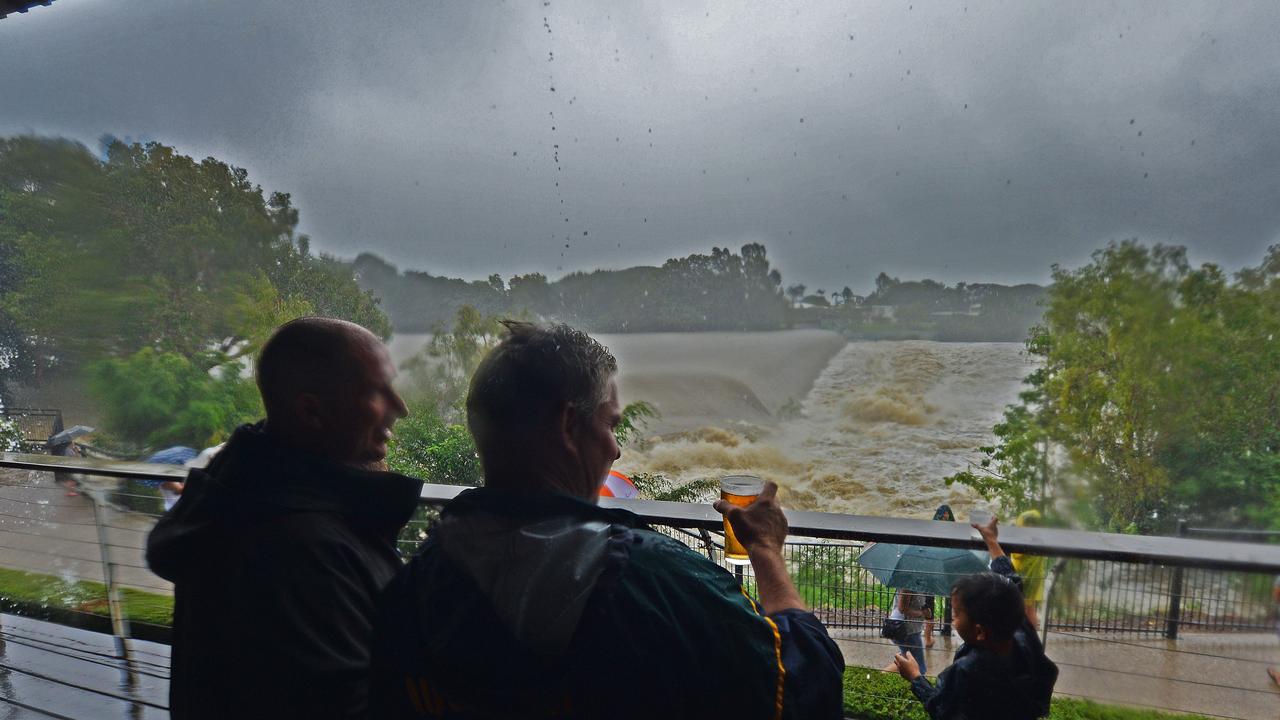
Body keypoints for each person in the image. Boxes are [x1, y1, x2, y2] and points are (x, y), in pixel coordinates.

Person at [369, 322, 845, 719]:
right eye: (610, 424)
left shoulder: (415, 586)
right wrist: (765, 551)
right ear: (567, 425)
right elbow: (806, 688)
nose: (616, 448)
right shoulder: (652, 582)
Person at [146, 317, 421, 720]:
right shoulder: (303, 552)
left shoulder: (238, 497)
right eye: (377, 391)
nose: (401, 408)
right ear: (311, 410)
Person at [893, 516, 1059, 719]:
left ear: (979, 631)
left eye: (955, 615)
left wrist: (915, 677)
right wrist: (991, 541)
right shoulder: (1019, 629)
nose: (952, 621)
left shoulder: (966, 671)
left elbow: (942, 709)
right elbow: (1013, 582)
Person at [1011, 510, 1047, 628]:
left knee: (1025, 608)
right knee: (1030, 608)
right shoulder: (1039, 538)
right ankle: (1032, 633)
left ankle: (1029, 633)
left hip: (1024, 578)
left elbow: (1017, 554)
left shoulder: (1026, 538)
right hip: (1034, 578)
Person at [882, 588, 929, 676]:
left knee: (906, 659)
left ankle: (880, 676)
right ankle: (880, 679)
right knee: (919, 669)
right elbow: (902, 609)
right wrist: (922, 613)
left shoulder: (915, 582)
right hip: (907, 631)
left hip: (910, 629)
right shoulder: (908, 584)